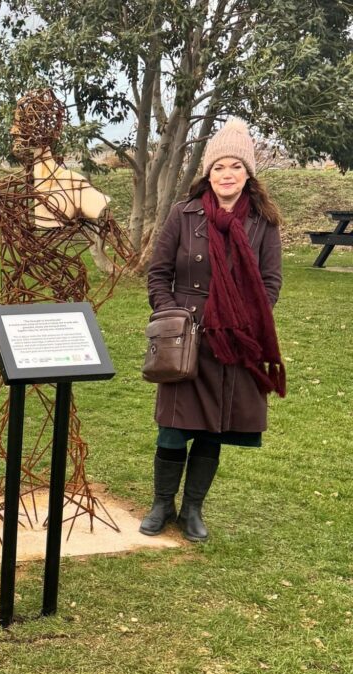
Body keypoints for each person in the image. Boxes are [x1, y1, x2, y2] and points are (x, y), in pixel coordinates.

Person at [142, 118, 285, 542]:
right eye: (219, 166)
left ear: (248, 174)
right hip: (184, 339)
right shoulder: (183, 215)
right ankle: (161, 504)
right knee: (173, 427)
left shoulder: (263, 222)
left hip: (232, 341)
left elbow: (271, 282)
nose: (227, 174)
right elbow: (158, 274)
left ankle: (192, 511)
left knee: (212, 428)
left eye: (235, 167)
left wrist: (246, 319)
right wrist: (173, 319)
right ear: (208, 172)